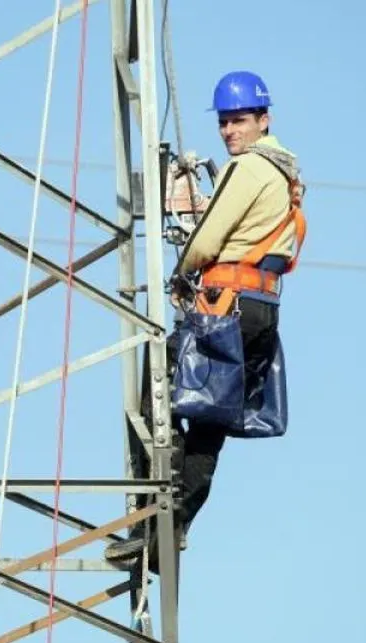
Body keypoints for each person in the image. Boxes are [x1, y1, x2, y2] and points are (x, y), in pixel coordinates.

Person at [106, 70, 305, 566]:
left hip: (226, 308)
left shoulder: (251, 168)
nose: (229, 131)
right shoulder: (285, 173)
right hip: (260, 312)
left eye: (238, 120)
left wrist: (180, 272)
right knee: (208, 425)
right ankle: (171, 534)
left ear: (264, 120)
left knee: (163, 391)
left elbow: (209, 240)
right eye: (224, 122)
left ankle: (152, 520)